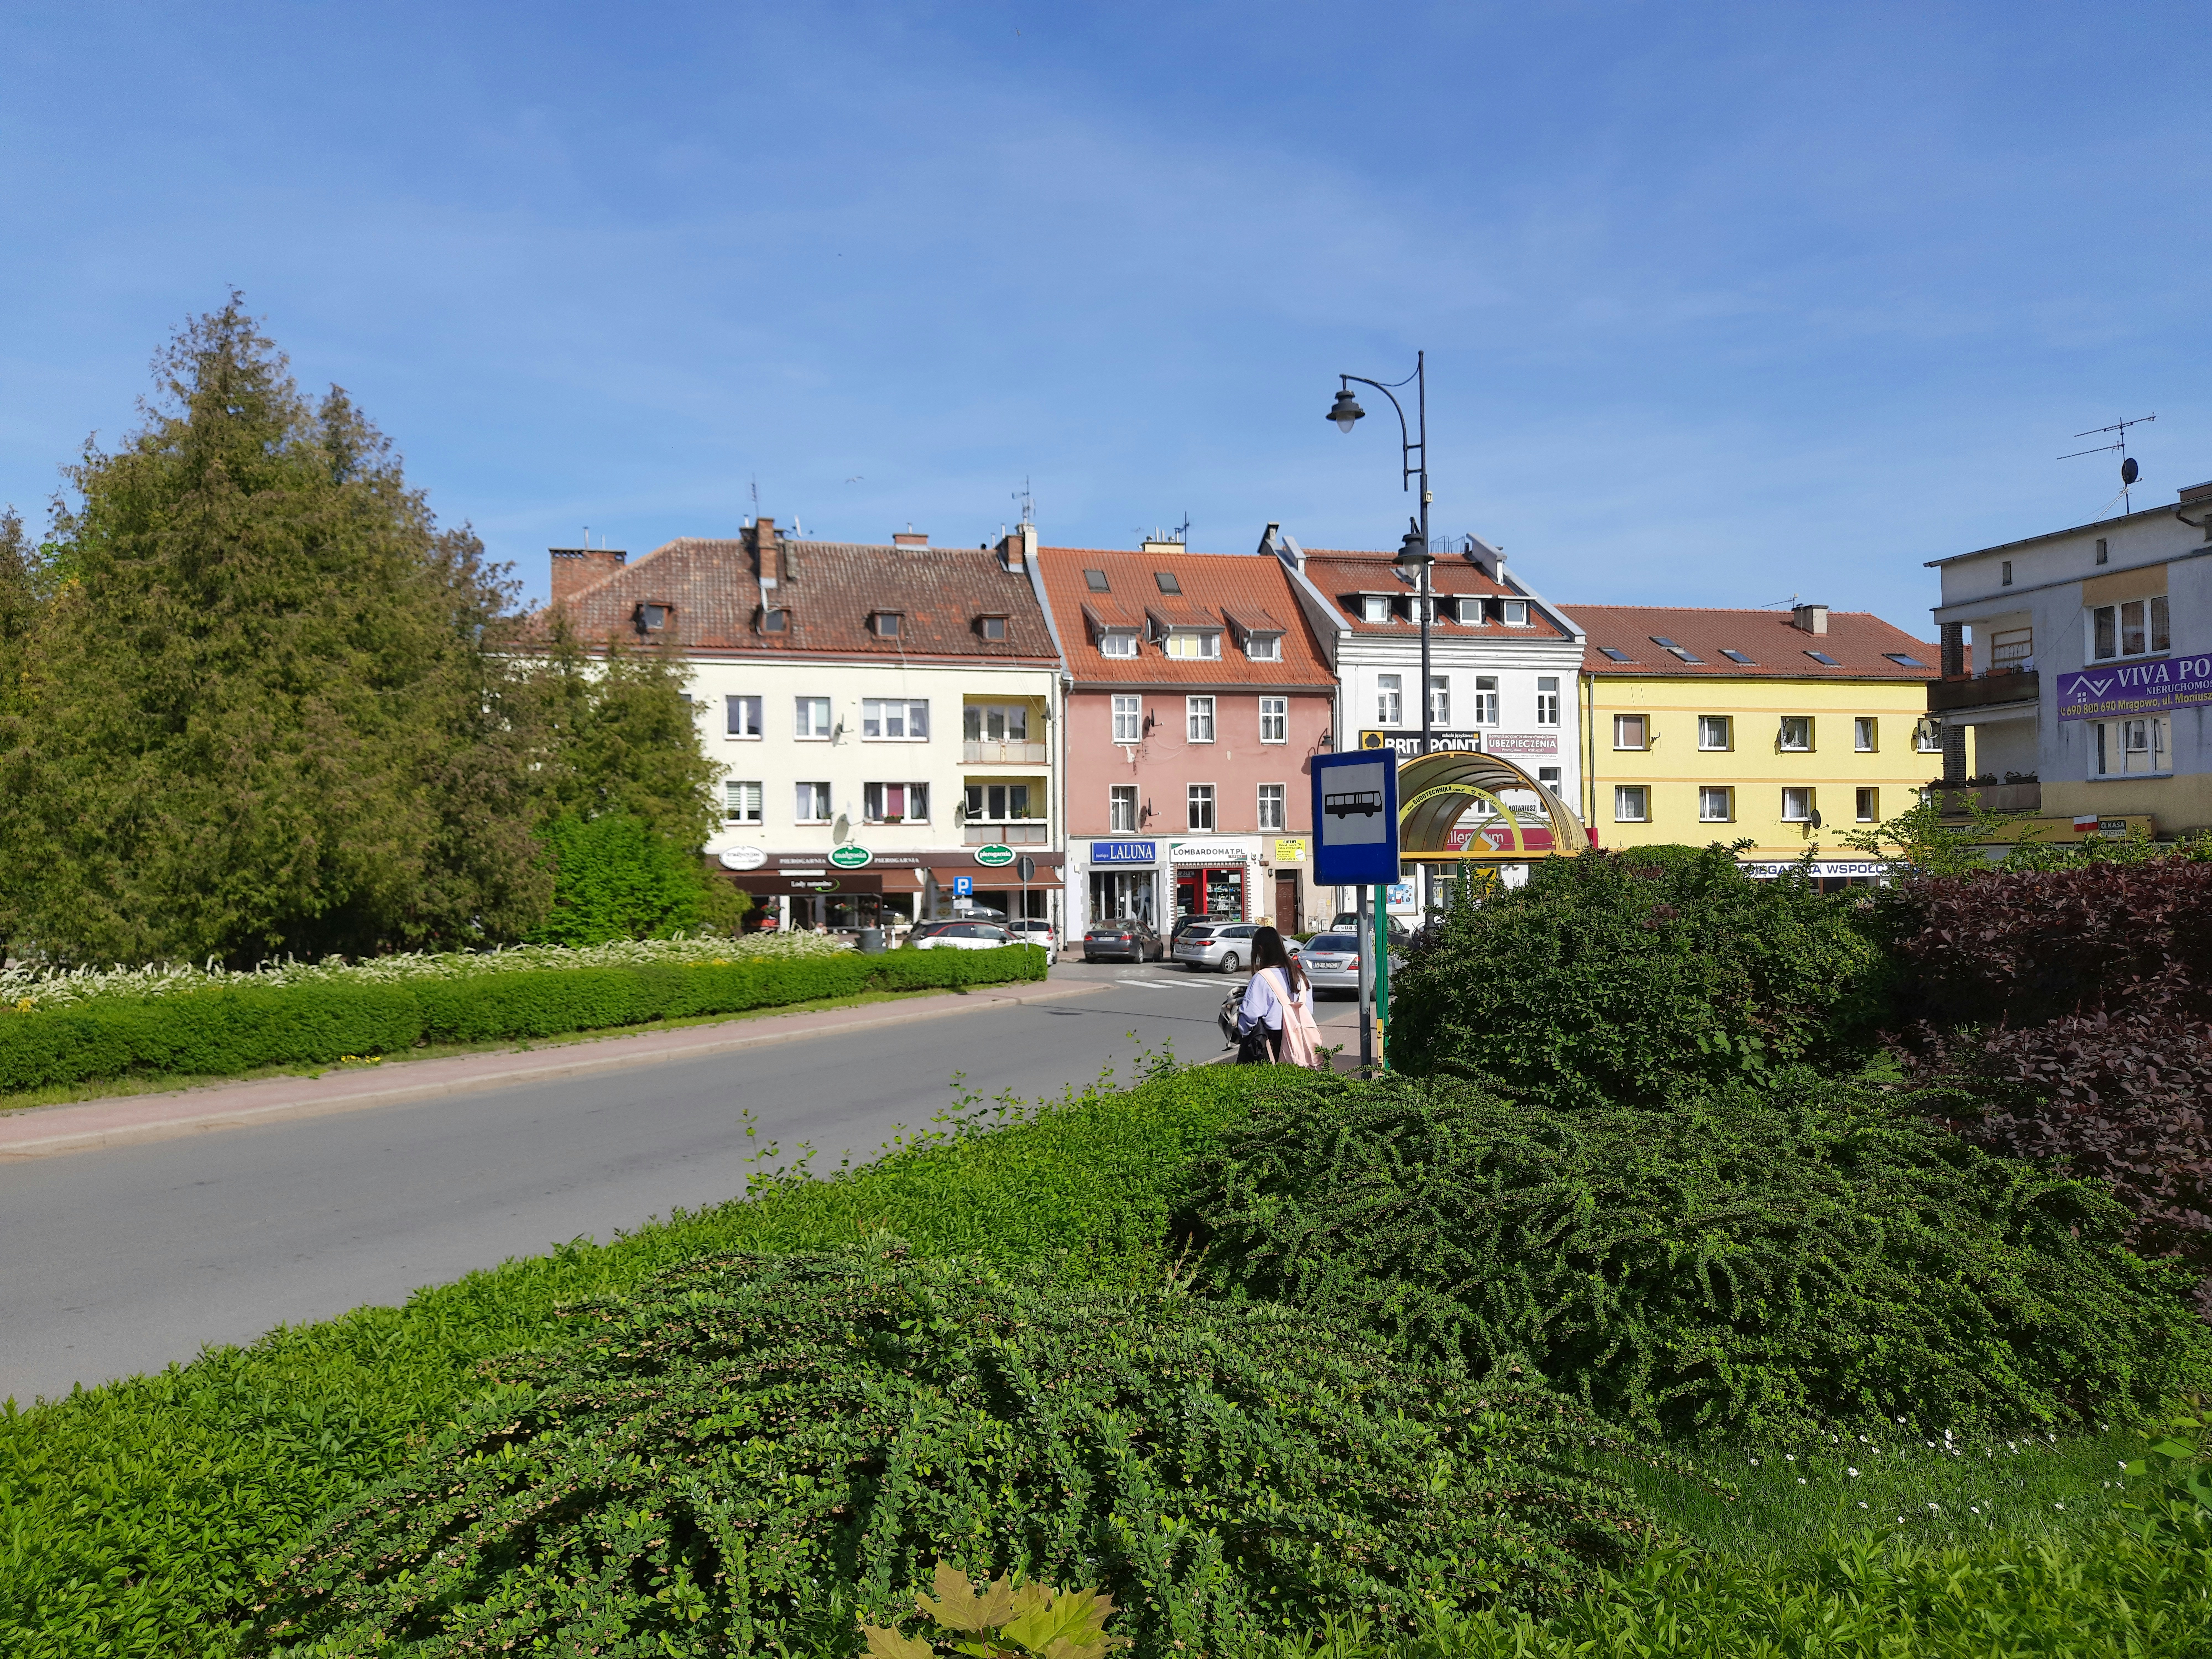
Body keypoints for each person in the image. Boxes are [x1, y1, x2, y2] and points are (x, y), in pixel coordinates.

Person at [1236, 927, 1323, 1067]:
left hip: (1272, 1045)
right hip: (1301, 1042)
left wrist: (1242, 1032)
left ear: (1260, 950)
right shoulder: (1301, 978)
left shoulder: (1262, 978)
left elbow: (1250, 1017)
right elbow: (1308, 1013)